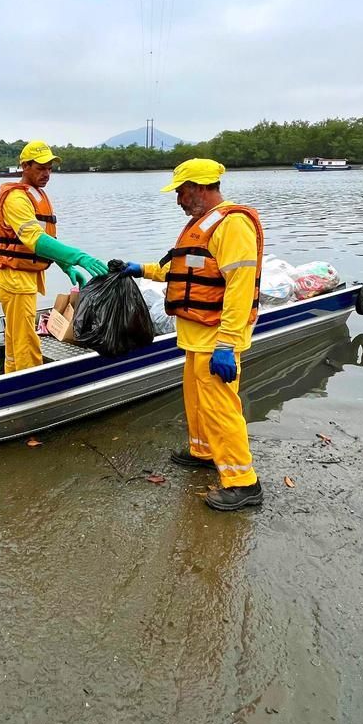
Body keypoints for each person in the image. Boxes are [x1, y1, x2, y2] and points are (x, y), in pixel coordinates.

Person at [119, 158, 264, 512]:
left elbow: (239, 288)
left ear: (199, 188)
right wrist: (139, 269)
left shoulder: (233, 225)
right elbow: (179, 270)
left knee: (220, 408)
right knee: (196, 401)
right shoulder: (201, 225)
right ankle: (203, 451)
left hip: (217, 338)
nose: (178, 200)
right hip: (196, 337)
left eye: (182, 192)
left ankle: (243, 483)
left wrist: (228, 344)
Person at [0, 140, 108, 373]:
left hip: (25, 278)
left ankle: (13, 376)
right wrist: (78, 256)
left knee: (17, 339)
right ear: (25, 166)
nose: (47, 174)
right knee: (25, 343)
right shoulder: (16, 199)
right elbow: (35, 240)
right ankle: (27, 388)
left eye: (50, 168)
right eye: (40, 168)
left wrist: (65, 264)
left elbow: (47, 241)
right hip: (15, 280)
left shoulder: (36, 195)